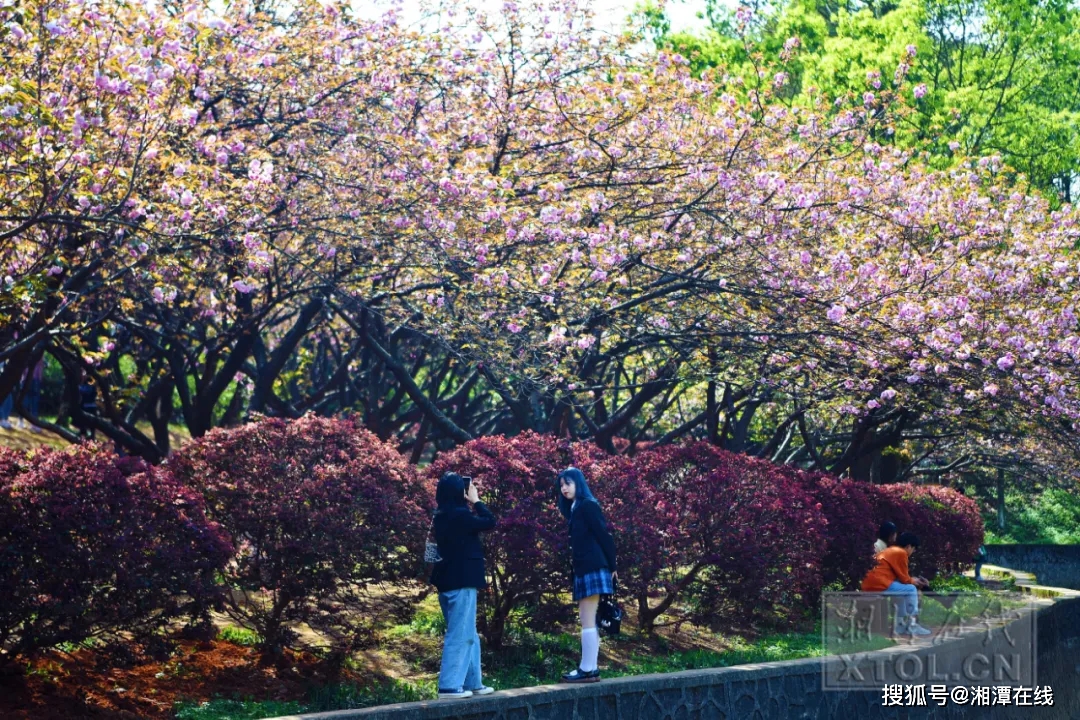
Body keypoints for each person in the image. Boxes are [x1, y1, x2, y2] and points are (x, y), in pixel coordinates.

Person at [430, 472, 497, 700]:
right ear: (461, 492)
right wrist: (476, 500)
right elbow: (490, 522)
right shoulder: (461, 515)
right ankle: (449, 686)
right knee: (460, 634)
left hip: (446, 582)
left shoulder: (439, 516)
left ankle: (473, 682)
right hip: (463, 582)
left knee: (468, 633)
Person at [556, 467, 618, 684]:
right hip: (586, 568)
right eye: (561, 485)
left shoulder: (587, 505)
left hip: (594, 567)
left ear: (578, 483)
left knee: (588, 619)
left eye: (568, 483)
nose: (564, 488)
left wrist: (612, 567)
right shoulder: (575, 508)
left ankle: (588, 669)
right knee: (587, 619)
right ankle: (589, 668)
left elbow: (604, 535)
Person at [862, 531, 931, 636]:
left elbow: (901, 577)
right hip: (880, 584)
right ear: (908, 546)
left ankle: (899, 625)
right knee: (911, 589)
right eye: (914, 548)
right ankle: (912, 625)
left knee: (902, 591)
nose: (913, 551)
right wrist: (916, 581)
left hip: (870, 583)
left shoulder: (891, 550)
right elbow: (905, 579)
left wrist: (913, 580)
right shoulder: (901, 553)